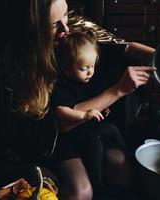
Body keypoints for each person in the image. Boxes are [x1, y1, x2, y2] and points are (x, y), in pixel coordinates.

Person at [0, 0, 155, 199]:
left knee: (121, 167)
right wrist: (118, 90)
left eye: (66, 14)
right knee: (82, 191)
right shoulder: (24, 66)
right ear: (34, 30)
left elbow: (120, 47)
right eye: (54, 24)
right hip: (48, 139)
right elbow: (60, 124)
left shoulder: (69, 28)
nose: (66, 27)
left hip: (86, 125)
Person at [51, 30, 130, 195]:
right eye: (84, 68)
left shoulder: (91, 79)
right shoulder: (63, 86)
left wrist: (102, 108)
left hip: (91, 129)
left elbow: (98, 100)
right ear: (66, 69)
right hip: (72, 135)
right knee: (95, 147)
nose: (90, 72)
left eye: (92, 66)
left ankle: (129, 158)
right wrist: (84, 115)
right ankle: (98, 186)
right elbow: (61, 111)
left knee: (112, 134)